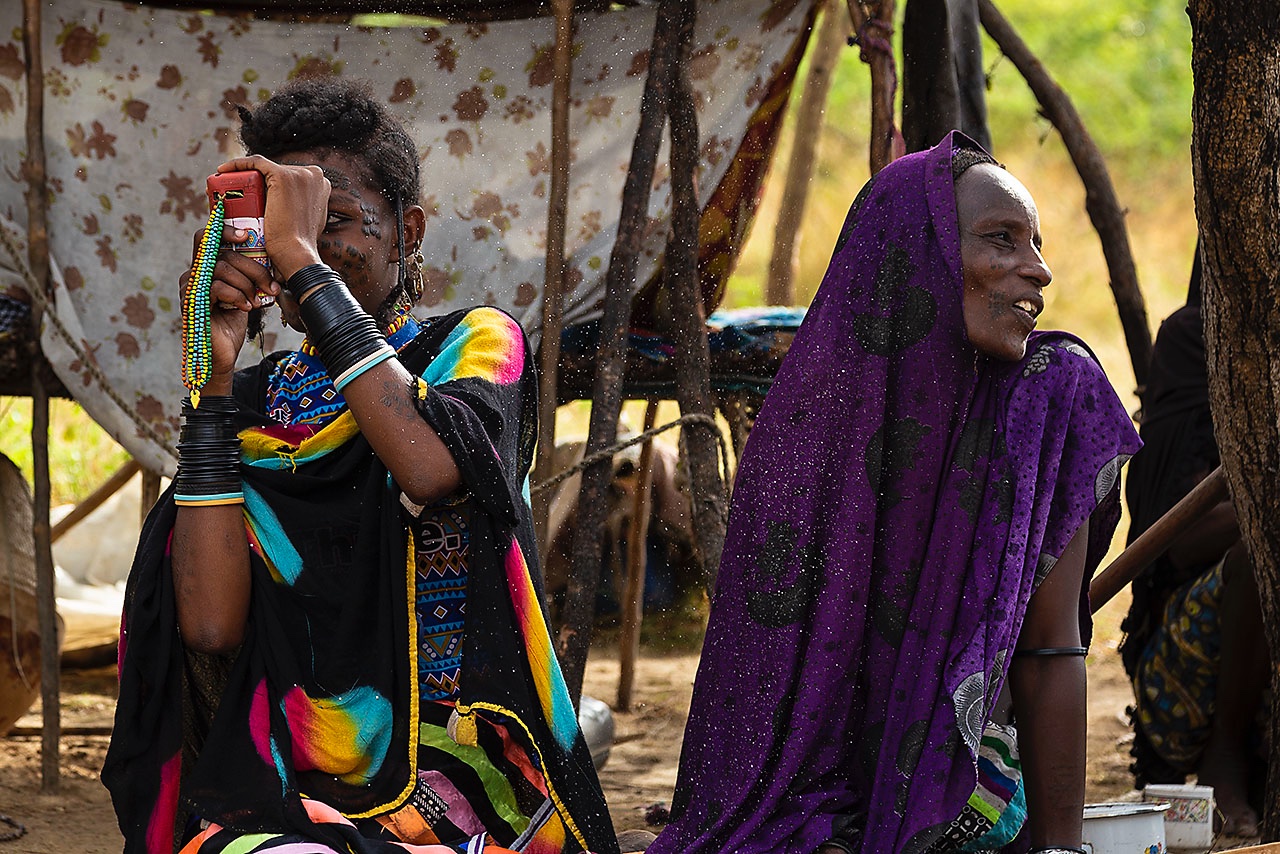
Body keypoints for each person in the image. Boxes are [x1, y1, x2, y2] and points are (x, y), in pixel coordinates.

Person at [102, 78, 619, 854]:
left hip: (464, 777)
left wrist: (301, 261)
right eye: (280, 233)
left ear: (407, 229)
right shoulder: (254, 403)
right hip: (295, 785)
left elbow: (431, 469)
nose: (299, 248)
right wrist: (212, 384)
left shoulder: (473, 347)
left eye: (333, 222)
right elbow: (210, 625)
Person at [647, 132, 1141, 854]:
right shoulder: (806, 431)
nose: (1039, 269)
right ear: (919, 254)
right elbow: (749, 697)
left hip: (961, 799)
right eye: (1001, 239)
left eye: (1036, 244)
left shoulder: (1043, 401)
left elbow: (1051, 649)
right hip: (817, 812)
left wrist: (1062, 851)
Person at [1119, 251, 1266, 838]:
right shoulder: (1194, 339)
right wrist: (1265, 509)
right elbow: (1174, 543)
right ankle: (1224, 759)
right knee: (1255, 561)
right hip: (1186, 667)